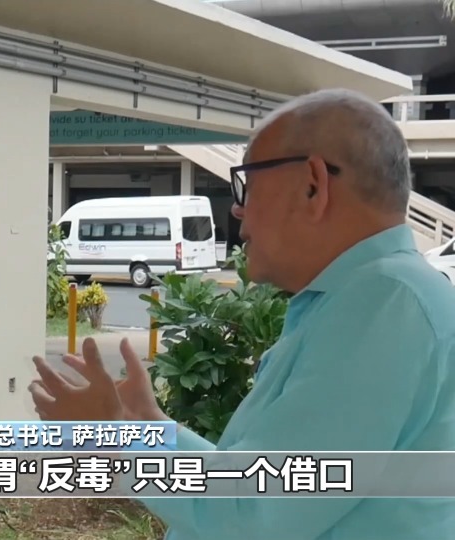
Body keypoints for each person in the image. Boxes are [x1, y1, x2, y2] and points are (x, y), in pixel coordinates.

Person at [29, 88, 455, 539]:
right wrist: (151, 427)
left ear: (312, 185)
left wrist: (115, 437)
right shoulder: (377, 297)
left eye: (247, 184)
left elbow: (253, 511)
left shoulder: (384, 305)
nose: (237, 208)